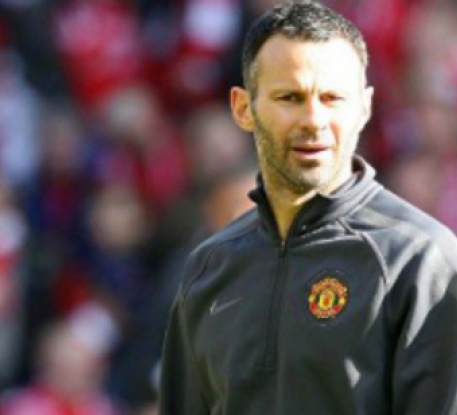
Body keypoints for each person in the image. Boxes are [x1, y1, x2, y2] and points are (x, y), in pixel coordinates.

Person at [157, 1, 457, 414]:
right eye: (290, 97)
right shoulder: (208, 268)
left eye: (332, 98)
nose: (313, 120)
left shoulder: (421, 261)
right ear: (243, 108)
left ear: (365, 107)